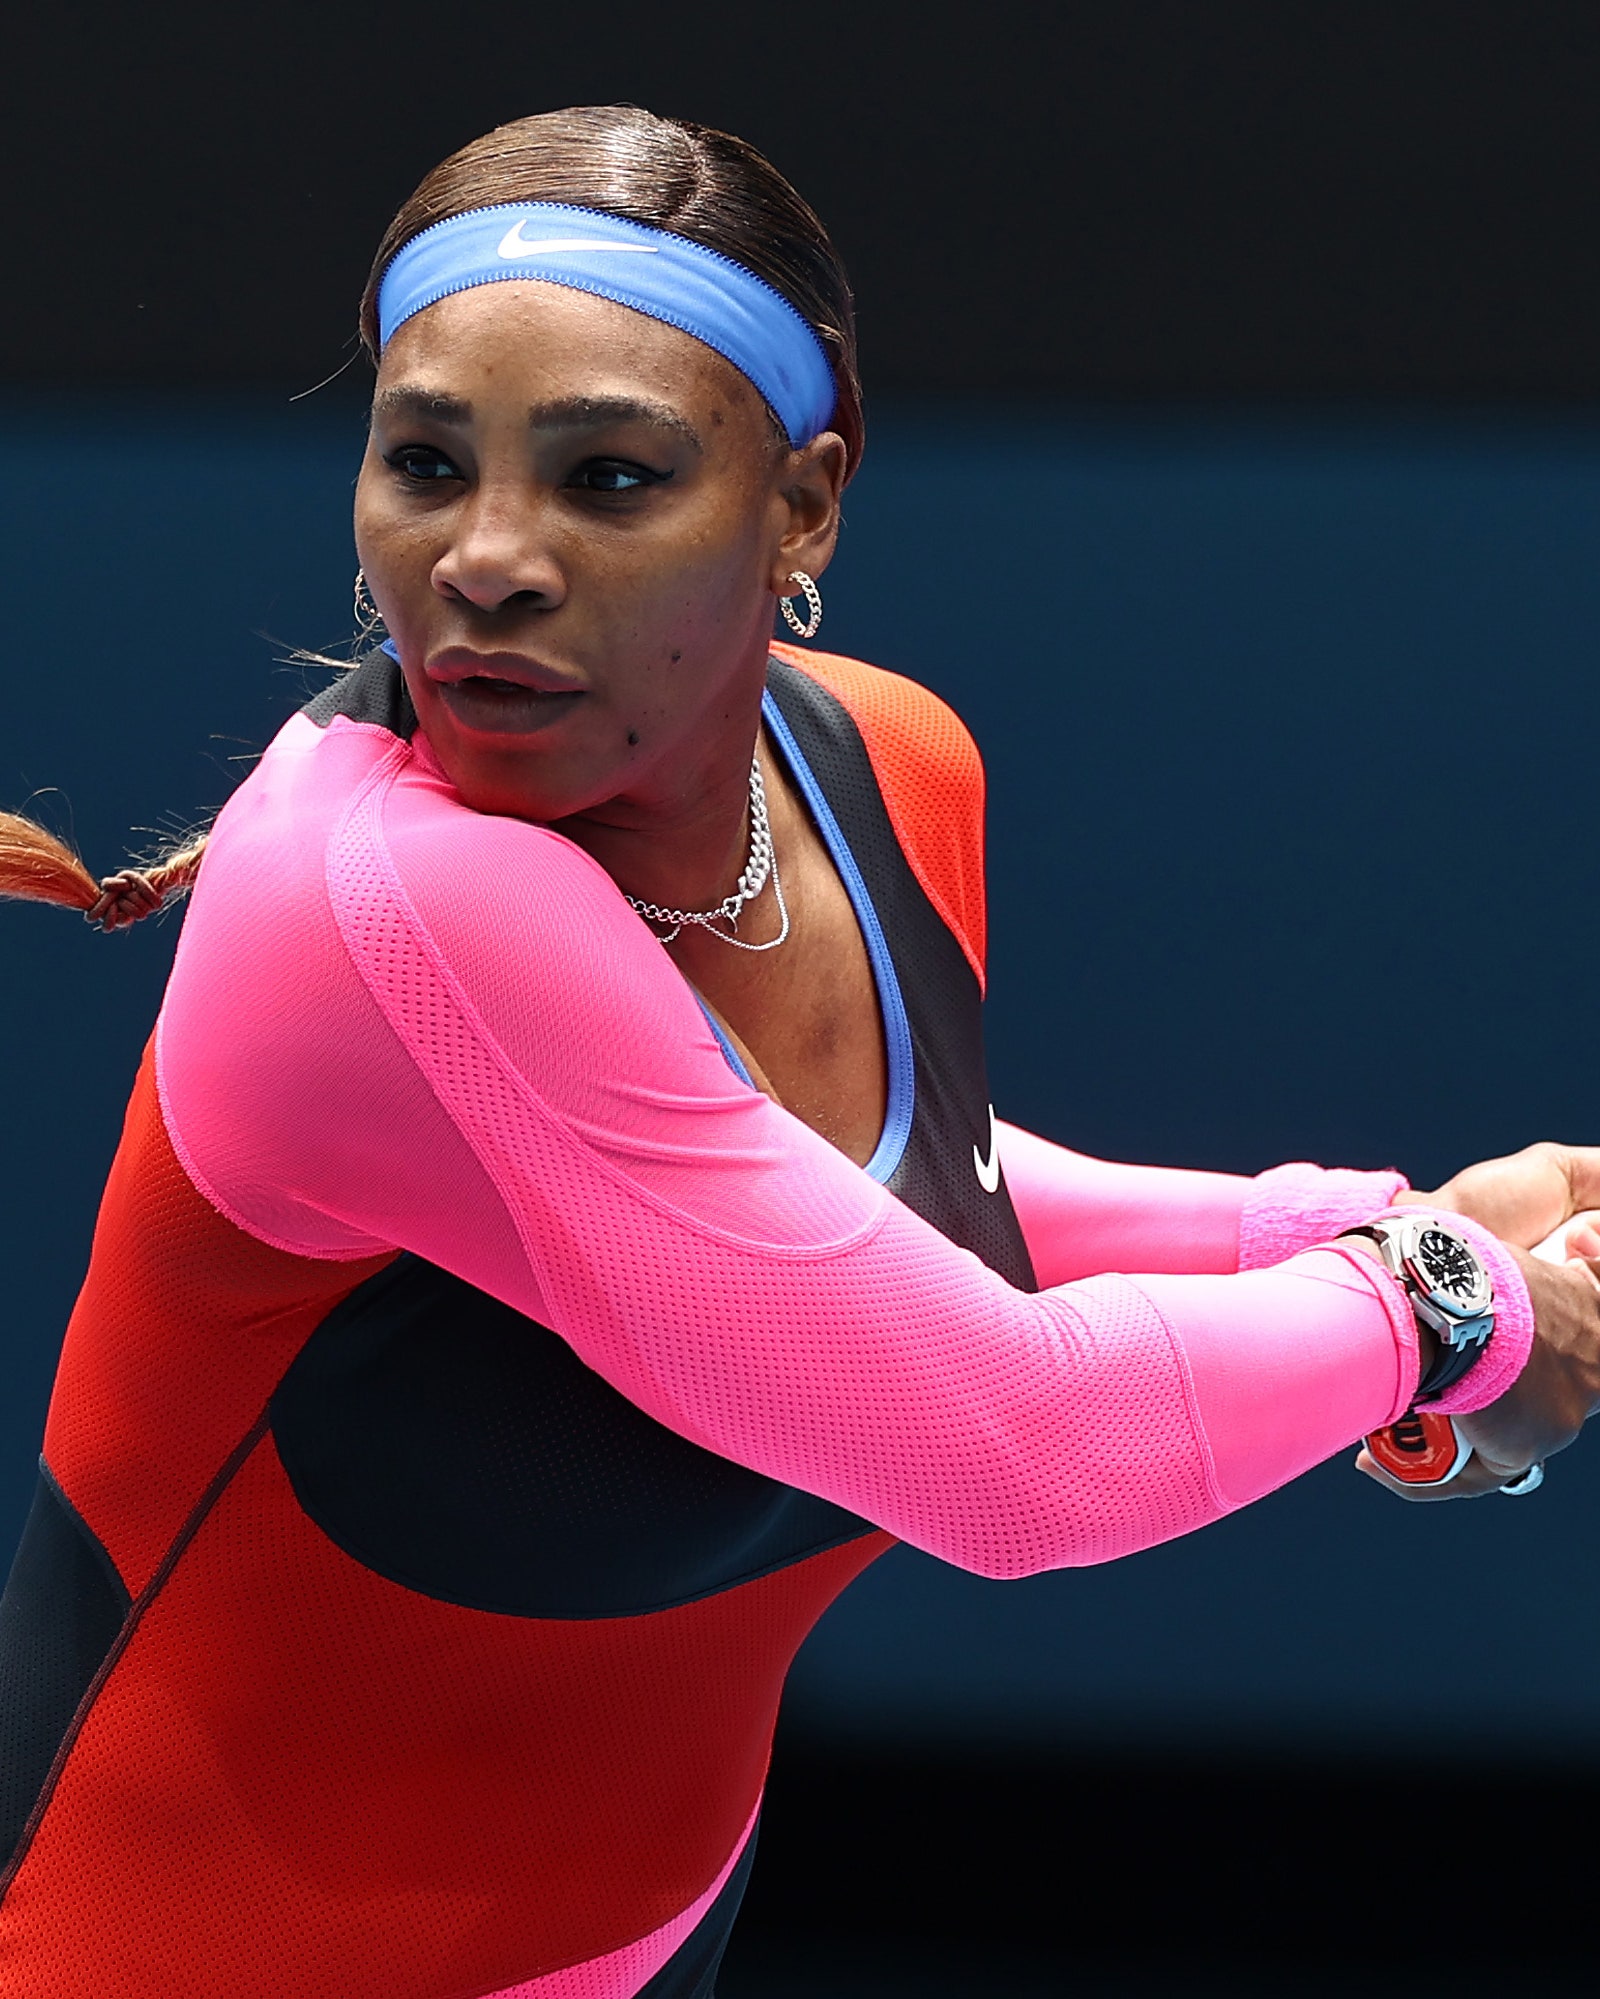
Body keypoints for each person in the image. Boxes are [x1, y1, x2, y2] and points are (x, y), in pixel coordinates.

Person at [1, 103, 1599, 1999]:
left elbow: (905, 1210)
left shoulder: (882, 765)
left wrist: (1362, 1230)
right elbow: (1019, 1449)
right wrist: (1445, 1308)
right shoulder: (389, 905)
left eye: (608, 479)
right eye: (425, 462)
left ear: (807, 503)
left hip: (647, 1937)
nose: (487, 562)